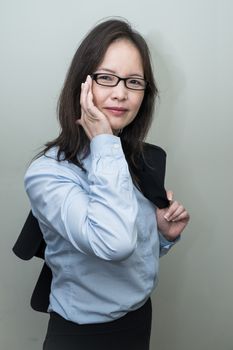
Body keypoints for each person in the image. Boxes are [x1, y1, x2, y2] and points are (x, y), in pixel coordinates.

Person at [23, 18, 190, 350]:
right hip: (83, 334)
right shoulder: (47, 174)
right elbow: (114, 244)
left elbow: (131, 255)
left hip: (139, 318)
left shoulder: (138, 158)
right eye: (106, 77)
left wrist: (162, 237)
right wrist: (103, 143)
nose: (121, 93)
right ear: (81, 86)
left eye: (134, 82)